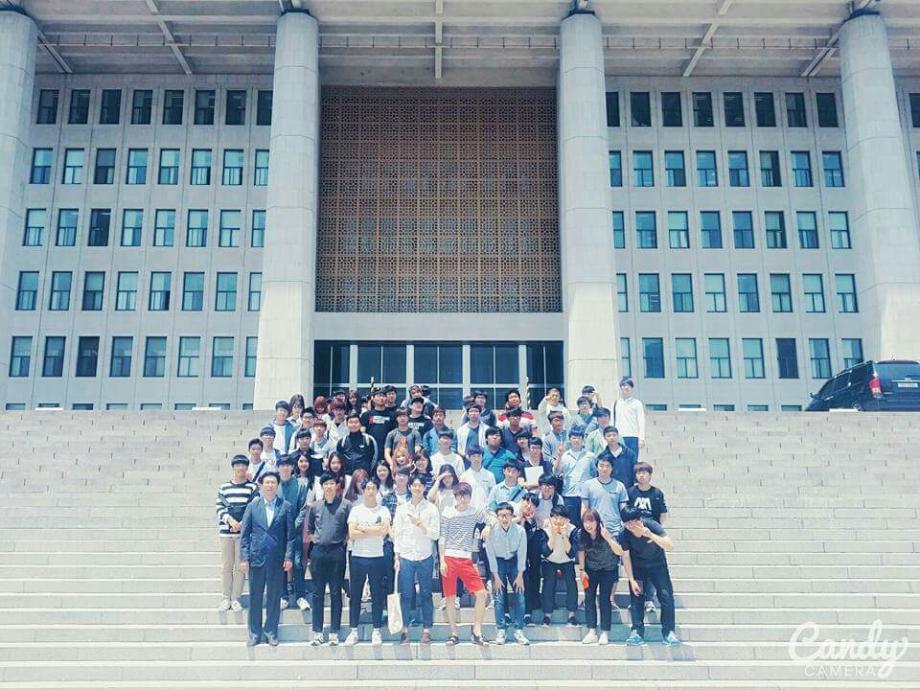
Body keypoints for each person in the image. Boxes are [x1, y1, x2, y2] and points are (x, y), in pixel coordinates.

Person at [239, 471, 295, 647]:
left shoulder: (285, 506)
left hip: (276, 560)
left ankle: (271, 632)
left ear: (277, 486)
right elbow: (245, 535)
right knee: (255, 597)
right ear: (261, 485)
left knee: (274, 598)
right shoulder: (252, 506)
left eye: (273, 482)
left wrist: (288, 556)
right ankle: (254, 633)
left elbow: (291, 536)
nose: (270, 485)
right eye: (267, 482)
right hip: (256, 558)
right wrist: (244, 557)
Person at [438, 482, 490, 645]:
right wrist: (441, 560)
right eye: (460, 495)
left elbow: (491, 518)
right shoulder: (447, 512)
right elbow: (442, 537)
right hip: (449, 557)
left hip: (466, 558)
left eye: (466, 495)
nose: (463, 498)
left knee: (482, 593)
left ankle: (477, 630)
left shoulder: (475, 512)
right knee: (450, 597)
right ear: (455, 496)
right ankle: (454, 633)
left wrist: (488, 526)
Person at [619, 507, 679, 646]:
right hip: (638, 568)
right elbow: (626, 557)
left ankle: (669, 632)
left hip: (658, 566)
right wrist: (631, 580)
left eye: (634, 521)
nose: (631, 525)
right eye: (627, 523)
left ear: (640, 519)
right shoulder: (624, 534)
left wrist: (650, 535)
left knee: (666, 596)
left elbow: (669, 545)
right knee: (636, 598)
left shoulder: (652, 525)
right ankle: (637, 632)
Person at [393, 473, 441, 645]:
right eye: (414, 485)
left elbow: (435, 534)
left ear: (424, 488)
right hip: (406, 556)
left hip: (425, 556)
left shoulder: (431, 509)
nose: (417, 488)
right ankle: (404, 631)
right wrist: (396, 556)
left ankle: (427, 631)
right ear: (410, 487)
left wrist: (420, 524)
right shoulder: (402, 509)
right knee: (406, 594)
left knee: (426, 594)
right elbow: (397, 533)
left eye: (420, 485)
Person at [305, 472, 352, 646]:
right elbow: (310, 529)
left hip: (337, 552)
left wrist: (340, 544)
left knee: (335, 592)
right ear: (322, 487)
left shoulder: (346, 505)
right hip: (318, 552)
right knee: (317, 593)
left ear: (337, 486)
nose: (329, 487)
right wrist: (317, 541)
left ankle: (334, 632)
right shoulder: (316, 506)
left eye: (332, 483)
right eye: (326, 484)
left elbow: (349, 529)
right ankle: (317, 632)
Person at [344, 479, 390, 645]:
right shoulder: (356, 510)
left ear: (377, 491)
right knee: (355, 594)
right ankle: (353, 630)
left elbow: (383, 531)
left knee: (377, 594)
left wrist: (363, 528)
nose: (370, 491)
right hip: (358, 556)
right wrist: (373, 530)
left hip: (377, 556)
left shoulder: (383, 510)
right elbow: (352, 534)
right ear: (363, 491)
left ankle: (376, 630)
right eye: (368, 488)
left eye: (373, 488)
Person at [578, 508, 629, 645]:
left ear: (597, 522)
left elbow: (619, 552)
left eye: (591, 521)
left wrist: (608, 538)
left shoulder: (606, 532)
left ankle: (605, 632)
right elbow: (581, 551)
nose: (588, 525)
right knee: (589, 598)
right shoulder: (581, 534)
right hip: (591, 569)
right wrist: (582, 569)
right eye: (585, 522)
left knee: (605, 599)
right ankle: (592, 631)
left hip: (608, 569)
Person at [216, 454, 258, 613]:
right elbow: (219, 508)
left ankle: (236, 598)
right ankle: (225, 598)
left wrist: (241, 524)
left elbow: (254, 507)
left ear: (247, 467)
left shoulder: (252, 487)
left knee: (241, 567)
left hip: (244, 534)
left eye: (243, 465)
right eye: (237, 465)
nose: (240, 468)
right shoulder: (224, 487)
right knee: (226, 566)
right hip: (226, 533)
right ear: (233, 467)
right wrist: (231, 521)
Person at [627, 461, 669, 614]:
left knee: (651, 569)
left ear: (650, 475)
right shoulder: (631, 492)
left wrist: (656, 530)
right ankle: (636, 599)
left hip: (650, 534)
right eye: (639, 473)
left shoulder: (656, 493)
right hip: (634, 534)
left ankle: (649, 599)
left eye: (644, 473)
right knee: (635, 568)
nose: (642, 475)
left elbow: (663, 513)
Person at [486, 503, 530, 645]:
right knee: (498, 596)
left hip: (514, 560)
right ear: (497, 517)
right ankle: (501, 629)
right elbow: (490, 555)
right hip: (498, 562)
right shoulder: (490, 532)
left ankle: (519, 629)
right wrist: (496, 577)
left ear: (512, 516)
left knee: (520, 594)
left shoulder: (520, 531)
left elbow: (522, 554)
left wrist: (520, 574)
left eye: (507, 515)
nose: (504, 518)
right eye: (501, 515)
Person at [537, 504, 578, 627]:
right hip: (550, 561)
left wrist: (564, 535)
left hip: (567, 561)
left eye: (562, 518)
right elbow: (545, 552)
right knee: (548, 584)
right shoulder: (546, 529)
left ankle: (571, 615)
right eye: (555, 517)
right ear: (551, 518)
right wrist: (554, 535)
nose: (558, 521)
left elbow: (571, 553)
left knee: (572, 583)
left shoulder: (573, 530)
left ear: (568, 519)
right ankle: (547, 615)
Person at [278, 456, 309, 611]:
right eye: (282, 465)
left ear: (292, 467)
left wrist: (293, 526)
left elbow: (303, 508)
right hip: (277, 532)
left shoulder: (300, 485)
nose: (285, 468)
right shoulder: (273, 484)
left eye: (288, 465)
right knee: (280, 563)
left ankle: (300, 596)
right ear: (278, 467)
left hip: (294, 531)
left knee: (296, 563)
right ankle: (283, 596)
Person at [554, 428, 597, 528]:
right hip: (569, 495)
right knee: (571, 525)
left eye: (579, 438)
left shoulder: (590, 456)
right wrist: (559, 456)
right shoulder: (564, 456)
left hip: (586, 496)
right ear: (569, 439)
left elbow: (594, 474)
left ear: (583, 440)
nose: (577, 440)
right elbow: (556, 472)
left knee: (587, 523)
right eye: (574, 438)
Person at [580, 454, 629, 538]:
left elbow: (623, 509)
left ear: (612, 468)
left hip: (615, 530)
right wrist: (585, 526)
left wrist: (623, 525)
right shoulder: (587, 485)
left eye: (607, 466)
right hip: (594, 529)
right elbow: (584, 508)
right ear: (596, 467)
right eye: (601, 465)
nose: (604, 469)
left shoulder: (620, 486)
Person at [518, 493, 543, 626]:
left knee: (534, 574)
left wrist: (532, 519)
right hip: (518, 553)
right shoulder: (514, 513)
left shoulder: (534, 518)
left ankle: (534, 601)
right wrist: (521, 519)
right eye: (527, 502)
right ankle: (525, 610)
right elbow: (519, 536)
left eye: (533, 505)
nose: (529, 506)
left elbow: (541, 525)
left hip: (532, 551)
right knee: (524, 577)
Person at [595, 426, 637, 495]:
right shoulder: (602, 456)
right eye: (609, 435)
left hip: (627, 490)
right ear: (604, 437)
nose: (612, 438)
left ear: (618, 436)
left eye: (614, 435)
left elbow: (635, 471)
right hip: (609, 491)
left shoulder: (629, 454)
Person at [613, 378, 646, 459]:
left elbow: (641, 421)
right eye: (624, 385)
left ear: (632, 388)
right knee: (619, 461)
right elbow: (612, 421)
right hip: (619, 437)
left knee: (632, 461)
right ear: (620, 387)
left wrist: (641, 438)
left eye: (629, 385)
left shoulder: (637, 403)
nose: (626, 387)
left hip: (633, 437)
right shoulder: (616, 403)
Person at [360, 390, 395, 466]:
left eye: (383, 396)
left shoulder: (392, 415)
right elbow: (362, 433)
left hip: (387, 450)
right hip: (370, 450)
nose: (381, 398)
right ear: (373, 398)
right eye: (379, 396)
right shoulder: (366, 415)